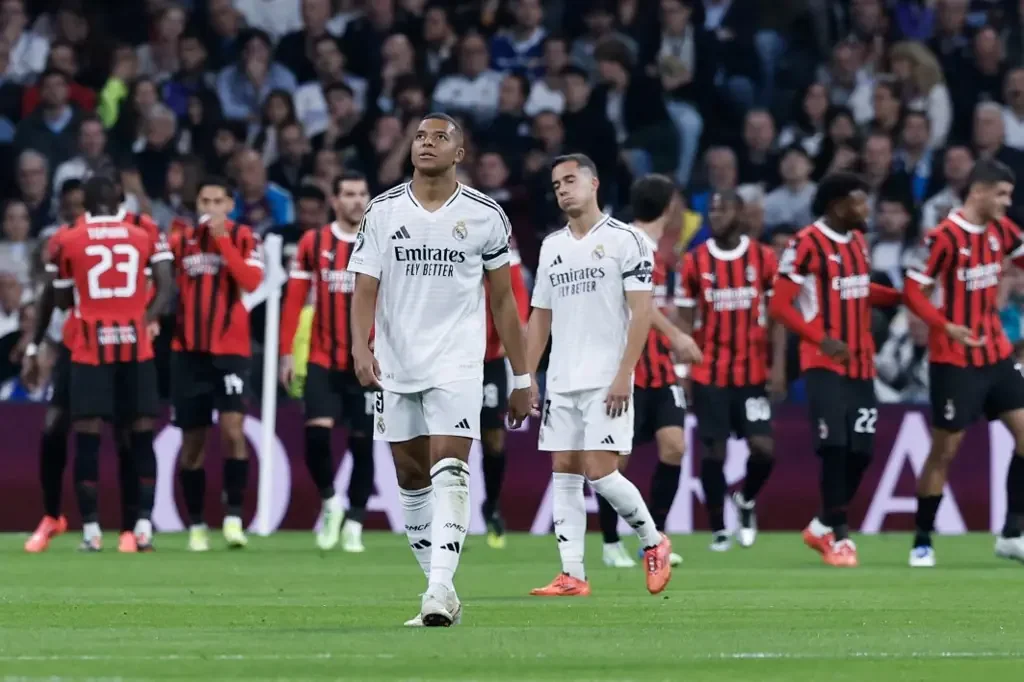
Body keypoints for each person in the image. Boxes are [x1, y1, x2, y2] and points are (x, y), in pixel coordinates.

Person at [348, 113, 531, 627]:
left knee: (449, 467)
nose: (427, 143)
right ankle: (440, 586)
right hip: (396, 361)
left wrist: (522, 377)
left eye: (440, 137)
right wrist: (361, 350)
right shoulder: (382, 211)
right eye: (421, 137)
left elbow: (504, 302)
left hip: (458, 362)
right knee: (409, 477)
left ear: (460, 153)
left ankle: (437, 589)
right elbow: (364, 287)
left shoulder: (485, 215)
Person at [525, 153, 673, 598]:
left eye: (571, 180)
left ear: (594, 183)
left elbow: (641, 311)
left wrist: (624, 373)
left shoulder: (627, 240)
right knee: (564, 470)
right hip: (562, 378)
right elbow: (540, 317)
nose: (563, 189)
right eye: (556, 185)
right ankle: (572, 574)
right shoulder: (552, 246)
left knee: (600, 472)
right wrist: (527, 375)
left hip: (606, 377)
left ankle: (654, 540)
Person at [769, 172, 902, 568]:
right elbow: (779, 305)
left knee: (861, 451)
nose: (867, 209)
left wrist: (899, 296)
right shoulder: (805, 243)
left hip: (861, 362)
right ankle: (841, 538)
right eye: (860, 202)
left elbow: (858, 288)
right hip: (823, 362)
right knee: (835, 447)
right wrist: (818, 338)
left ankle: (823, 522)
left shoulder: (860, 242)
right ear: (836, 206)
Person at [22, 201, 167, 553]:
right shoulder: (77, 238)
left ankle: (128, 528)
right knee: (55, 427)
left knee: (124, 434)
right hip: (74, 347)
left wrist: (145, 321)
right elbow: (49, 298)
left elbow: (54, 297)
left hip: (102, 342)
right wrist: (34, 346)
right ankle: (52, 516)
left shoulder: (83, 238)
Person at [904, 158, 1024, 566]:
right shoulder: (943, 237)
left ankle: (1012, 533)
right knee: (946, 450)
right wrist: (944, 325)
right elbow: (914, 290)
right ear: (979, 191)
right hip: (954, 359)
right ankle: (922, 538)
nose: (1007, 203)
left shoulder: (1002, 232)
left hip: (996, 353)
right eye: (1002, 195)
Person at [595, 174, 697, 568]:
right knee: (615, 463)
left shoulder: (661, 249)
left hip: (661, 372)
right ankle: (608, 543)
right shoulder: (631, 243)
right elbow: (636, 301)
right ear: (670, 207)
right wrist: (676, 334)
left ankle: (654, 540)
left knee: (674, 447)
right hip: (628, 370)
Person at [678, 191, 785, 551]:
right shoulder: (694, 262)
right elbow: (684, 320)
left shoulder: (764, 258)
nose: (716, 214)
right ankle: (718, 528)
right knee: (714, 454)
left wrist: (779, 366)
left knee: (764, 449)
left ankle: (746, 500)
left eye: (724, 209)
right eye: (712, 209)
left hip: (753, 374)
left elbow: (779, 318)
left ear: (740, 213)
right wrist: (684, 373)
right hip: (709, 373)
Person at [279, 171, 375, 553]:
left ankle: (354, 522)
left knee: (363, 444)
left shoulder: (382, 242)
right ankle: (330, 501)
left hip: (367, 361)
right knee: (315, 436)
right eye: (348, 194)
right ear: (335, 201)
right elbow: (294, 300)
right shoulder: (312, 242)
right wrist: (286, 352)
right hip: (322, 356)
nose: (355, 200)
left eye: (361, 193)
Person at [169, 176, 263, 552]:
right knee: (192, 443)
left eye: (217, 201)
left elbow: (251, 280)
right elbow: (160, 281)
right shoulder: (182, 241)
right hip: (188, 353)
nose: (210, 208)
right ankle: (195, 525)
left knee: (233, 432)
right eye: (204, 200)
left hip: (231, 352)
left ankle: (234, 518)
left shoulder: (243, 237)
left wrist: (223, 238)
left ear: (230, 205)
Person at [479, 237, 529, 550]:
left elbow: (516, 288)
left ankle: (493, 505)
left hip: (490, 357)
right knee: (441, 438)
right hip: (447, 356)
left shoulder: (494, 232)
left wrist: (520, 325)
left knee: (494, 438)